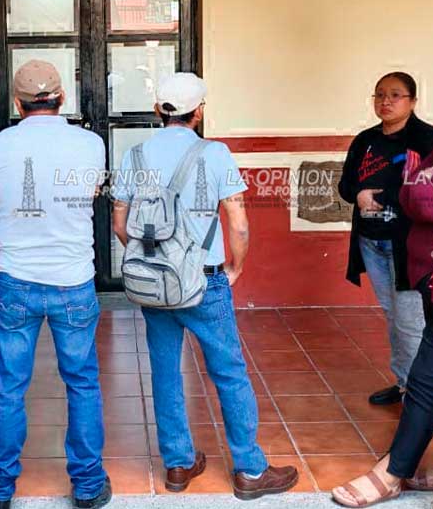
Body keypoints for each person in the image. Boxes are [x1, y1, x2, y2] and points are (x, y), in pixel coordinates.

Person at [111, 73, 299, 500]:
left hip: (156, 285)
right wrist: (234, 267)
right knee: (229, 372)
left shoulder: (134, 155)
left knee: (165, 372)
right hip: (205, 281)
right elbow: (238, 222)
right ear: (199, 112)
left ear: (158, 110)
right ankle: (250, 470)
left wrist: (152, 262)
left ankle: (178, 464)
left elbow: (121, 223)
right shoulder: (215, 153)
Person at [332, 74, 433, 508]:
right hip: (424, 274)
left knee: (428, 381)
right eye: (379, 94)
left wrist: (413, 191)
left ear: (412, 101)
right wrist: (407, 190)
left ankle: (393, 471)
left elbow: (429, 200)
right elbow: (411, 190)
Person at [0, 60, 111, 509]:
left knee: (9, 388)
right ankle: (88, 486)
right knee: (82, 384)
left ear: (17, 104)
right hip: (73, 280)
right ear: (62, 98)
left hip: (15, 280)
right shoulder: (91, 144)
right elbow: (90, 196)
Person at [338, 72, 433, 406]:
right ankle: (404, 384)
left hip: (408, 245)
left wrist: (382, 199)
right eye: (380, 94)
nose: (386, 101)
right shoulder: (366, 140)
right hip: (371, 242)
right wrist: (358, 194)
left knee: (410, 319)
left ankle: (419, 393)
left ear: (413, 101)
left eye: (395, 95)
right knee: (393, 314)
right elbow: (346, 185)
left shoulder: (427, 139)